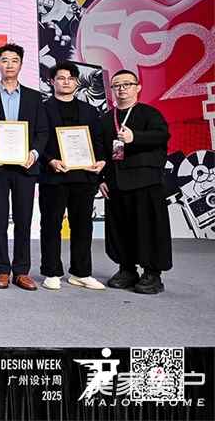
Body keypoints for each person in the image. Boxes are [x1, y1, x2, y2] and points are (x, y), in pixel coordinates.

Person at [0, 43, 49, 291]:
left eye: (14, 60)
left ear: (21, 64)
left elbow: (42, 132)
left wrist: (34, 153)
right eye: (4, 60)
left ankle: (22, 271)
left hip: (25, 167)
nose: (9, 65)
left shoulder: (34, 97)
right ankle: (2, 271)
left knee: (24, 220)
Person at [98, 69, 171, 295]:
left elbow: (162, 136)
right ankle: (127, 269)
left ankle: (152, 273)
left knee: (149, 228)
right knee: (120, 229)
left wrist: (134, 137)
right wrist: (100, 179)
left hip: (145, 182)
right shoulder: (105, 119)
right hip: (116, 183)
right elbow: (100, 152)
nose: (122, 89)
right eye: (117, 85)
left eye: (127, 84)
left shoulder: (150, 113)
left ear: (138, 87)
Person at [38, 62, 106, 291]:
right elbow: (36, 141)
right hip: (53, 176)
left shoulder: (89, 111)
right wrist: (50, 160)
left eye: (70, 78)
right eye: (61, 78)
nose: (66, 82)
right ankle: (51, 272)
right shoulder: (42, 109)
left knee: (83, 226)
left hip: (83, 178)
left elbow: (98, 141)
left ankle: (81, 272)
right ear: (52, 82)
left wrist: (100, 160)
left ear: (77, 82)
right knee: (51, 225)